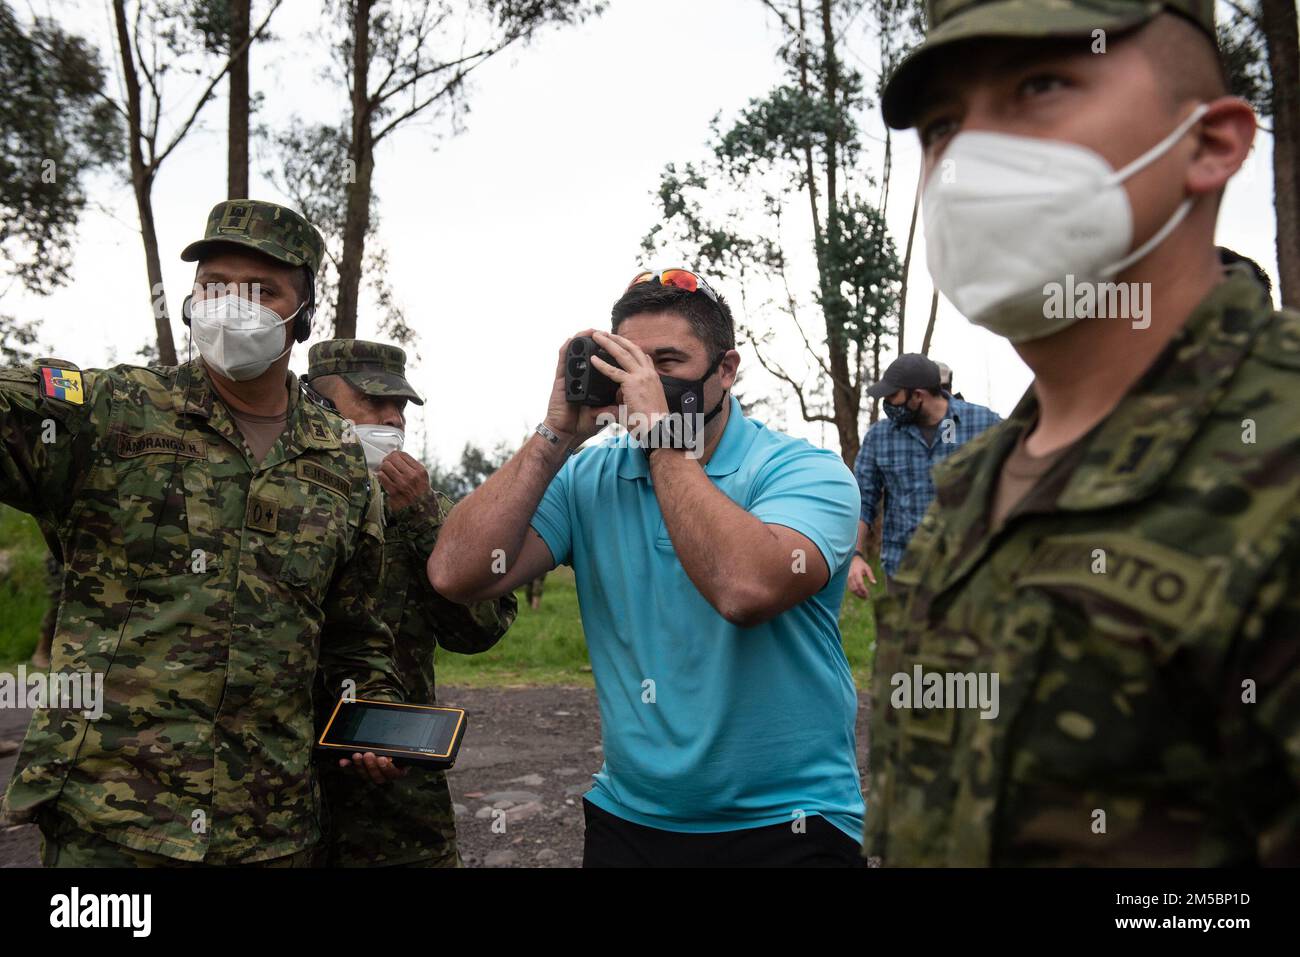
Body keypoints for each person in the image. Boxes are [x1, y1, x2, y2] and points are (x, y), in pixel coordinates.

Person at [866, 0, 1299, 865]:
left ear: (1211, 142)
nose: (967, 159)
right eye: (944, 122)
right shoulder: (972, 489)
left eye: (1041, 84)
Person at [0, 199, 405, 867]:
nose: (232, 305)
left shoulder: (340, 465)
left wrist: (378, 715)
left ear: (302, 314)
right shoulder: (112, 411)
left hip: (269, 829)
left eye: (260, 289)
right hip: (111, 827)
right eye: (215, 286)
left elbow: (355, 639)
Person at [429, 268, 866, 867]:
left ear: (727, 371)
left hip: (791, 820)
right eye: (632, 363)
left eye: (669, 362)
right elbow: (458, 574)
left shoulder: (803, 472)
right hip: (632, 818)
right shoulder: (591, 476)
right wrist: (556, 433)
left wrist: (663, 440)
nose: (648, 384)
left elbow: (745, 588)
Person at [305, 339, 517, 867]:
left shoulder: (435, 511)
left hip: (394, 794)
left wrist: (423, 524)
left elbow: (480, 630)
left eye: (400, 406)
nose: (393, 417)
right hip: (282, 783)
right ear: (319, 406)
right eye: (375, 404)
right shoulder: (279, 500)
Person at [847, 353, 999, 599]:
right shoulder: (879, 437)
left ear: (918, 395)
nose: (886, 403)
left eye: (892, 396)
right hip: (904, 571)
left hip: (971, 571)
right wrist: (856, 555)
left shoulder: (984, 425)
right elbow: (861, 501)